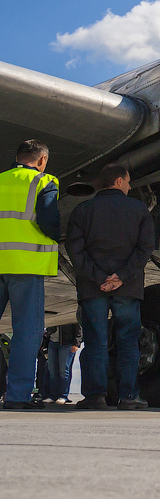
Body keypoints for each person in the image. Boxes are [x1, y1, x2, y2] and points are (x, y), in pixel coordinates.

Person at [66, 163, 154, 411]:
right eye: (127, 181)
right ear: (118, 181)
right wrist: (121, 276)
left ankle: (96, 396)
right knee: (128, 341)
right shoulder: (139, 210)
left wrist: (99, 278)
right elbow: (145, 248)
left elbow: (75, 251)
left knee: (95, 342)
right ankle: (128, 397)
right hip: (127, 288)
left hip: (93, 289)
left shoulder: (82, 210)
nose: (129, 186)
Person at [1, 139, 60, 410]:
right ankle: (17, 396)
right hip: (25, 264)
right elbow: (48, 220)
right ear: (42, 160)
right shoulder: (43, 181)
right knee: (26, 332)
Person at [46, 322, 82, 405]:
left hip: (67, 343)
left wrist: (76, 343)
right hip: (52, 342)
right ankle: (53, 395)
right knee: (52, 370)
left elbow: (78, 328)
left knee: (64, 371)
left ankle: (63, 396)